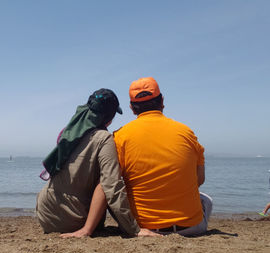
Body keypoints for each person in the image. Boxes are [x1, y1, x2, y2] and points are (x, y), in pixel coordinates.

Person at [36, 88, 158, 238]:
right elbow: (111, 186)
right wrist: (135, 229)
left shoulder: (69, 132)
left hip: (45, 213)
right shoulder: (103, 138)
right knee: (107, 179)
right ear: (109, 117)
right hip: (71, 219)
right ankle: (87, 229)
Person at [113, 77, 213, 236]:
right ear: (162, 101)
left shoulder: (120, 136)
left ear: (132, 108)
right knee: (206, 200)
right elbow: (199, 180)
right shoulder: (186, 132)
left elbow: (112, 183)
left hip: (145, 228)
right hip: (191, 228)